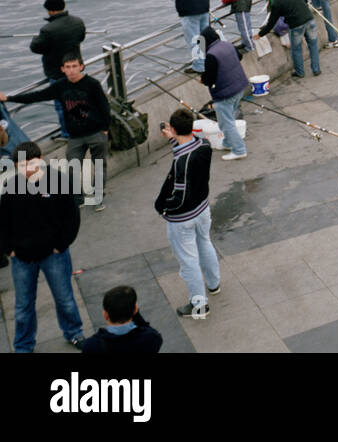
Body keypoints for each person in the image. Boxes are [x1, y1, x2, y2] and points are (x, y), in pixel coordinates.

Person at [0, 142, 86, 351]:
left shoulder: (58, 181)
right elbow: (2, 222)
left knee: (64, 299)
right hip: (21, 257)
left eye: (31, 162)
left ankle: (74, 333)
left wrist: (61, 244)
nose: (28, 168)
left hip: (54, 254)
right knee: (22, 306)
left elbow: (71, 217)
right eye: (22, 164)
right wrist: (8, 249)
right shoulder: (10, 189)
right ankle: (23, 344)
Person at [0, 54, 111, 209]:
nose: (71, 70)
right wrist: (9, 98)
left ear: (81, 67)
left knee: (99, 166)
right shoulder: (60, 86)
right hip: (75, 136)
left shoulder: (92, 84)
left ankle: (98, 198)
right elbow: (37, 96)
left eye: (74, 66)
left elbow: (104, 107)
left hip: (96, 133)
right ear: (62, 69)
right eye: (68, 67)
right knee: (72, 168)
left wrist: (105, 129)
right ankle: (78, 199)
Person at [156, 108, 221, 319]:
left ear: (173, 128)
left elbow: (179, 197)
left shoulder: (182, 161)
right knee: (204, 242)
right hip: (202, 208)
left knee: (189, 260)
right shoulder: (203, 145)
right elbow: (186, 149)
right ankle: (214, 283)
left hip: (183, 218)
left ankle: (199, 305)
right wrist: (173, 139)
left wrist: (164, 208)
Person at [30, 0, 85, 138]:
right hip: (76, 69)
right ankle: (82, 128)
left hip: (58, 72)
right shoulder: (78, 22)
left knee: (62, 105)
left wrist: (36, 38)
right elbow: (81, 37)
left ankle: (68, 134)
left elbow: (35, 48)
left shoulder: (47, 30)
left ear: (50, 10)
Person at [200, 26, 249, 161]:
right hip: (239, 87)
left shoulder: (211, 55)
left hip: (225, 94)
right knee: (229, 118)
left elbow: (208, 79)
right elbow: (239, 57)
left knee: (227, 123)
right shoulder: (227, 44)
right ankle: (228, 143)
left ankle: (239, 150)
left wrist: (202, 79)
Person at [165, 0, 217, 73]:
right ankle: (209, 62)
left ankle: (200, 66)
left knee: (194, 40)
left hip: (189, 14)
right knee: (206, 38)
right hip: (204, 11)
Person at [255, 0, 320, 78]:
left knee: (296, 49)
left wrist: (260, 34)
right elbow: (305, 1)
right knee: (313, 45)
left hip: (296, 26)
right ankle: (316, 69)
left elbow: (271, 23)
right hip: (309, 20)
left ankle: (300, 72)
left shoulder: (276, 3)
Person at [80, 285, 164, 354]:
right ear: (135, 310)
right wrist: (137, 316)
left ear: (106, 315)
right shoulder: (151, 339)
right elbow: (150, 332)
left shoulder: (91, 346)